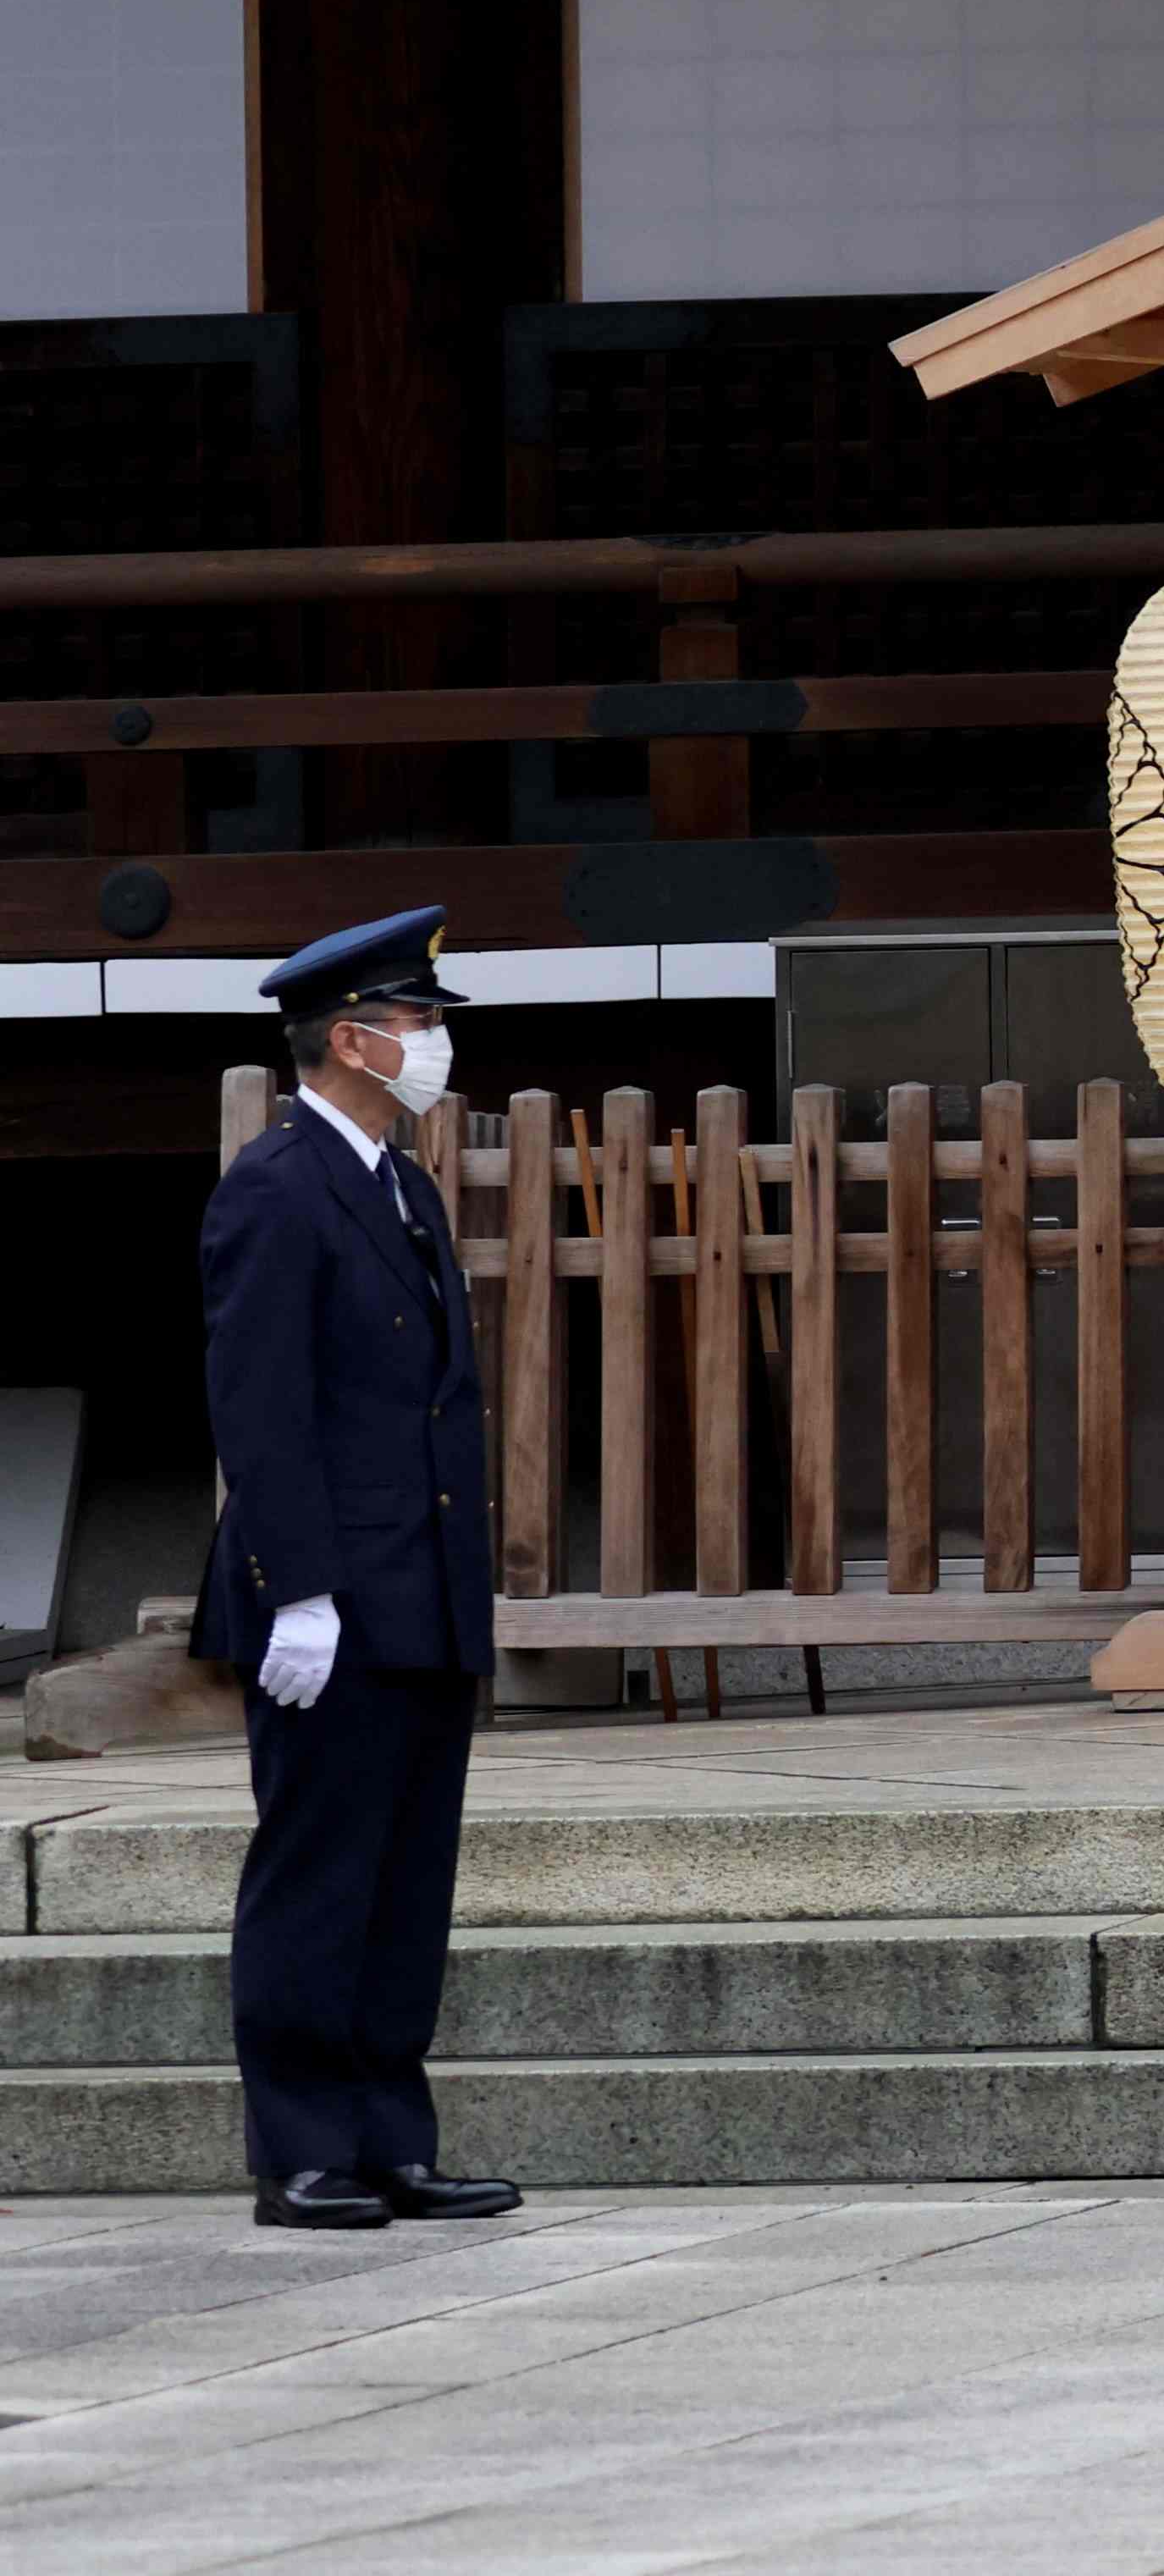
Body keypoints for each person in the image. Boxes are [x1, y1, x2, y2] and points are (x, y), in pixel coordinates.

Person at [194, 909, 511, 2236]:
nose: (435, 1044)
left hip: (423, 1585)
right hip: (333, 1594)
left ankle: (390, 2135)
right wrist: (299, 1588)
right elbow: (259, 1406)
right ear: (352, 1039)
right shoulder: (276, 1186)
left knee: (405, 1879)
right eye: (419, 1022)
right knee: (321, 1871)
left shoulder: (402, 1181)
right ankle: (306, 2146)